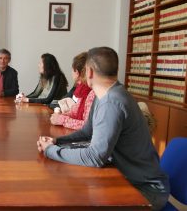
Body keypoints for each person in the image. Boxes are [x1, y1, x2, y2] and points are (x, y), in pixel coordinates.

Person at [37, 47, 169, 211]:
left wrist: (51, 151)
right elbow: (87, 131)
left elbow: (95, 157)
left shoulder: (111, 103)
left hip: (144, 191)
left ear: (89, 72)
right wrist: (57, 141)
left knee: (71, 196)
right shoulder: (105, 95)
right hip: (129, 178)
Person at [49, 52, 95, 130]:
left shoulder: (92, 92)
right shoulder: (82, 89)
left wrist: (62, 119)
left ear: (76, 72)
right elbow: (75, 111)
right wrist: (61, 116)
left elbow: (87, 126)